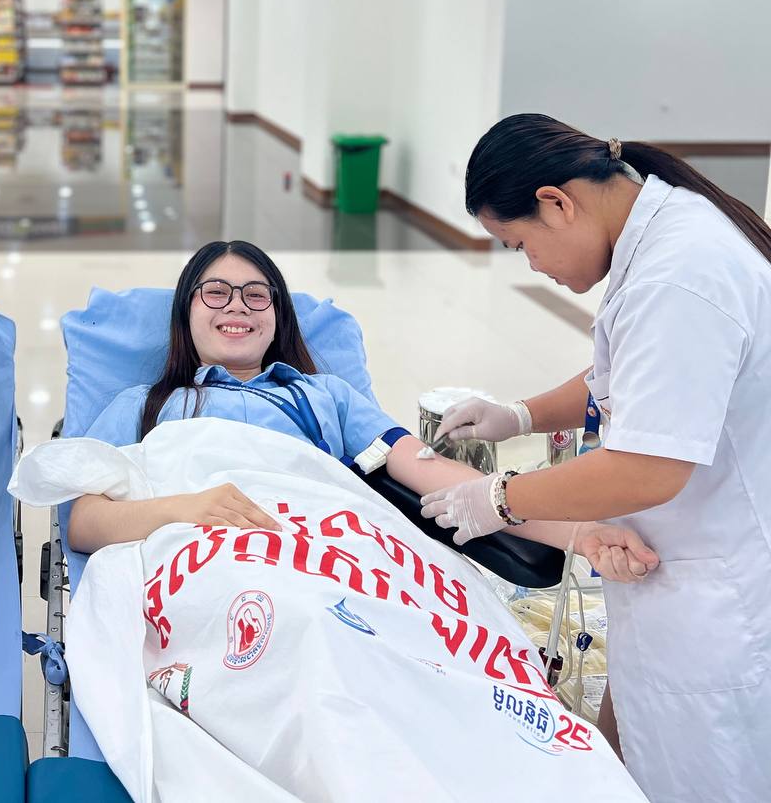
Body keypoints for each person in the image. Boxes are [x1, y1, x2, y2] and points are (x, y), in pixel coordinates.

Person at [420, 114, 771, 803]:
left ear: (556, 203)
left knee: (697, 772)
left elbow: (647, 467)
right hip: (680, 567)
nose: (532, 266)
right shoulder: (671, 232)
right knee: (626, 741)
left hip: (720, 598)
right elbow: (636, 376)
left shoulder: (678, 276)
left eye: (521, 244)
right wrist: (521, 414)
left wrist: (499, 498)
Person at [69, 239, 657, 584]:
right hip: (200, 566)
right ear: (187, 311)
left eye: (257, 295)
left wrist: (579, 533)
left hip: (325, 562)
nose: (238, 307)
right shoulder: (143, 407)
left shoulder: (325, 396)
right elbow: (84, 524)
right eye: (216, 293)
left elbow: (437, 476)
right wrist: (188, 510)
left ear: (277, 316)